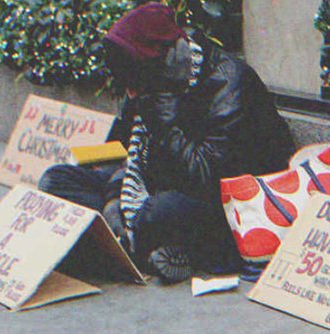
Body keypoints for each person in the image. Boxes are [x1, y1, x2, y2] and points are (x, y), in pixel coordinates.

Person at [38, 3, 296, 282]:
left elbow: (206, 178)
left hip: (220, 207)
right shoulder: (147, 81)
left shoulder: (230, 83)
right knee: (56, 180)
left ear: (165, 60)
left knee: (161, 210)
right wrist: (113, 199)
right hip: (153, 186)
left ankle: (124, 248)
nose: (131, 91)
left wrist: (166, 119)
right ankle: (143, 247)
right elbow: (118, 149)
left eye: (135, 82)